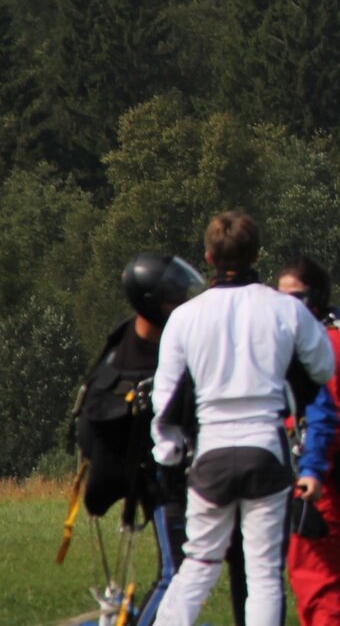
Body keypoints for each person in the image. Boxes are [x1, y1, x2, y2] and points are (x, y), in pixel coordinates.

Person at [151, 211, 335, 626]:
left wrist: (169, 454)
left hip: (211, 453)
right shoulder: (284, 309)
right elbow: (323, 367)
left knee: (197, 565)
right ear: (257, 254)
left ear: (208, 255)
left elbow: (165, 399)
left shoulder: (185, 317)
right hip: (266, 449)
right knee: (264, 573)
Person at [67, 253, 205, 626]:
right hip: (153, 475)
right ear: (153, 305)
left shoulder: (141, 339)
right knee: (177, 573)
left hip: (168, 468)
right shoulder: (126, 355)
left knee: (181, 570)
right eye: (173, 299)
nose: (183, 305)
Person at [278, 256, 340, 626]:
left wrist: (313, 469)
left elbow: (327, 413)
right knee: (306, 578)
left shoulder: (330, 342)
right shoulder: (301, 341)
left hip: (326, 475)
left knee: (319, 579)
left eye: (295, 298)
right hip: (308, 468)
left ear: (316, 298)